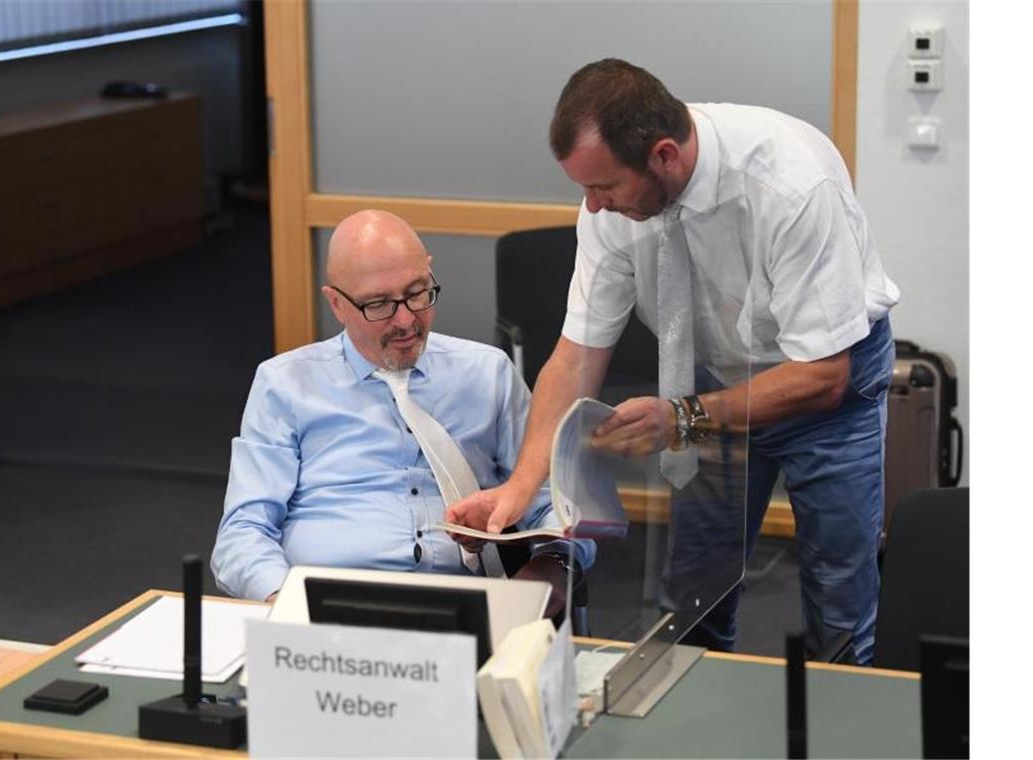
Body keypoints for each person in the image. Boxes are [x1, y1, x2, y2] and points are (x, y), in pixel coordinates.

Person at [447, 58, 898, 664]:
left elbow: (823, 375)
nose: (594, 206)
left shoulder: (790, 184)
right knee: (695, 598)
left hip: (829, 392)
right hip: (715, 382)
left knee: (840, 602)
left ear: (664, 155)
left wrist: (683, 417)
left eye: (603, 187)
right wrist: (522, 486)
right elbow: (576, 353)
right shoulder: (610, 209)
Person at [211, 209, 593, 614]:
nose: (407, 320)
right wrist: (286, 605)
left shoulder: (488, 373)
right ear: (337, 304)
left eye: (417, 292)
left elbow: (557, 503)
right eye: (378, 305)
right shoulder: (285, 384)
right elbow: (243, 531)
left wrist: (554, 562)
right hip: (326, 606)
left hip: (462, 608)